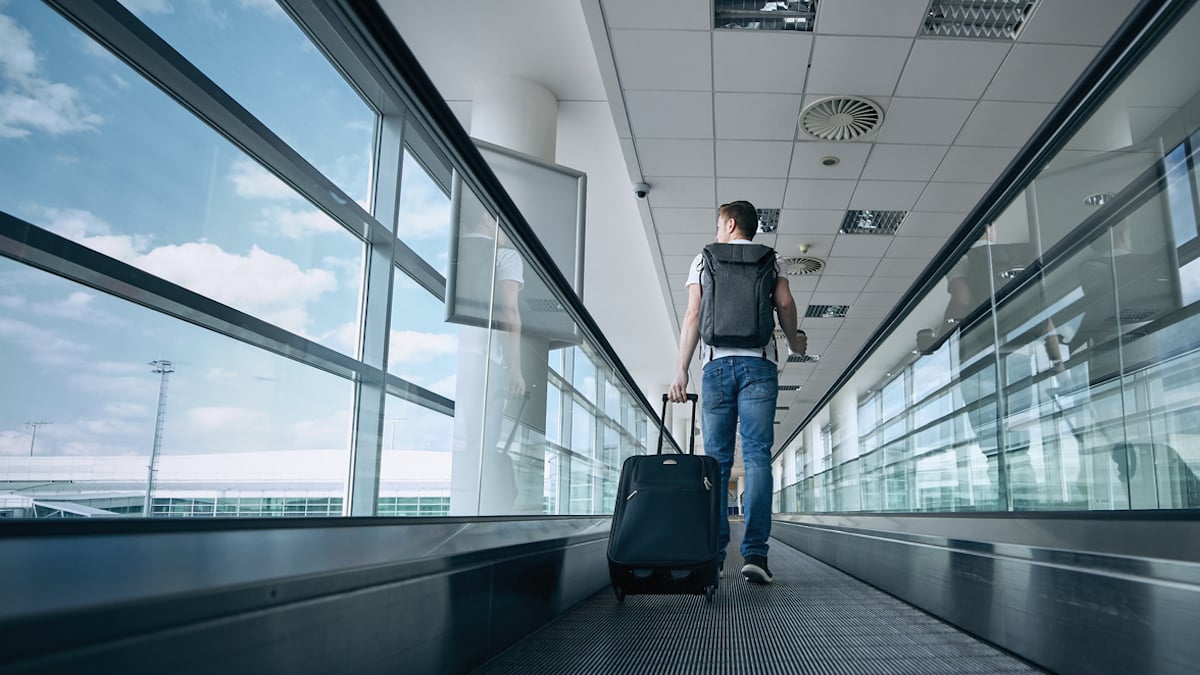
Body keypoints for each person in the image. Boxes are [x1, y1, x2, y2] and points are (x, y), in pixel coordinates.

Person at [668, 200, 806, 584]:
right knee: (759, 456)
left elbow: (693, 315)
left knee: (717, 462)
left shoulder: (704, 259)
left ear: (730, 224)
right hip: (760, 365)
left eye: (718, 225)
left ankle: (713, 554)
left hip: (715, 366)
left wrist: (680, 369)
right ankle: (756, 556)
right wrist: (794, 341)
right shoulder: (771, 259)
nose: (715, 232)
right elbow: (785, 303)